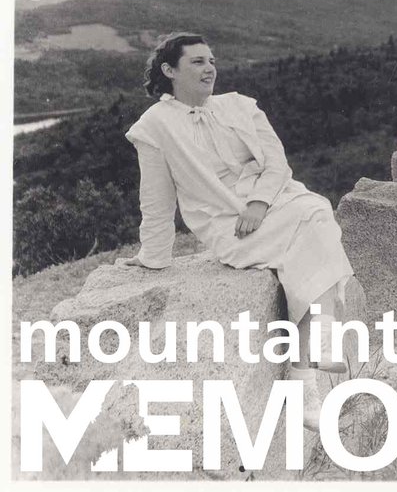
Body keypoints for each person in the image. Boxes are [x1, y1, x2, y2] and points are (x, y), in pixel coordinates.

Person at [122, 32, 354, 425]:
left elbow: (277, 163)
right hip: (229, 226)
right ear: (169, 70)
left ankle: (308, 379)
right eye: (197, 61)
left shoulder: (241, 106)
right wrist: (153, 257)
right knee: (313, 224)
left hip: (274, 202)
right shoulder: (154, 126)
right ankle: (313, 364)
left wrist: (260, 203)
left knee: (316, 211)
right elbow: (157, 200)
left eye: (211, 60)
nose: (209, 68)